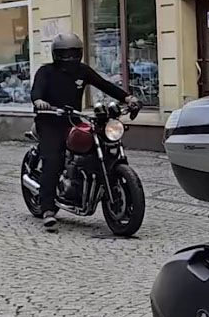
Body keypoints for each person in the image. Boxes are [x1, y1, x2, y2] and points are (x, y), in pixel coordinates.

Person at [31, 33, 139, 229]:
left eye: (74, 53)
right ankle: (47, 208)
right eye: (66, 54)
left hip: (73, 119)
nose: (70, 57)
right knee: (54, 158)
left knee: (97, 143)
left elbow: (104, 84)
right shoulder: (46, 72)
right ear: (57, 54)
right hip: (50, 121)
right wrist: (39, 101)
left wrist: (127, 98)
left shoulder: (82, 71)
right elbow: (36, 91)